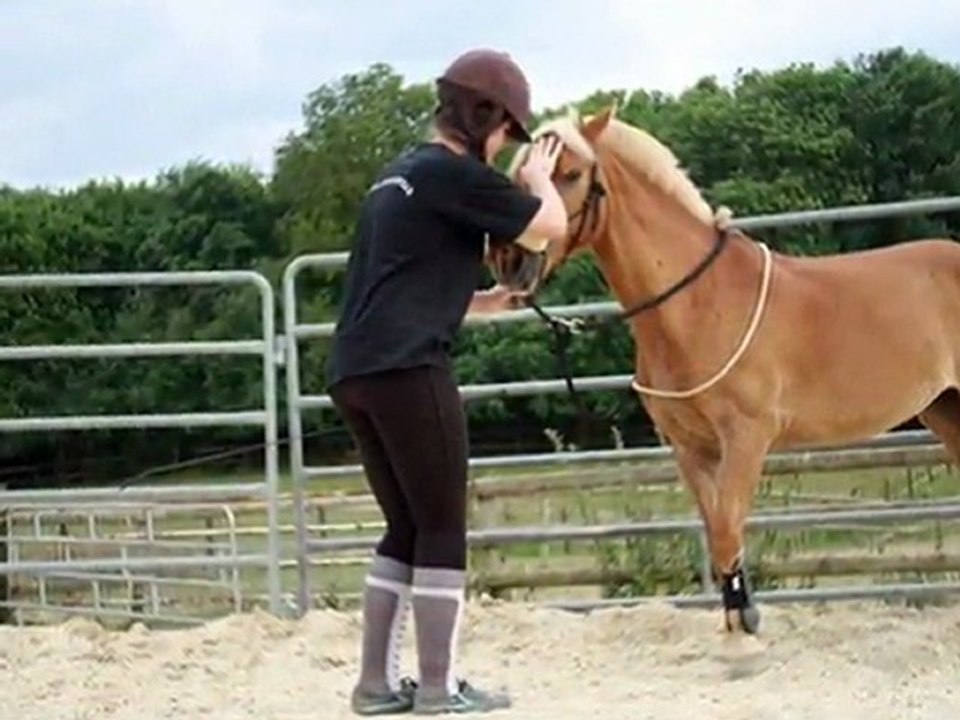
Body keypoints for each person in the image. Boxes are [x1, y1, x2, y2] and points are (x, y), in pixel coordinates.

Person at [325, 48, 567, 715]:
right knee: (441, 528)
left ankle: (375, 687)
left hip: (355, 369)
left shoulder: (396, 178)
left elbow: (399, 284)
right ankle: (438, 690)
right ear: (482, 115)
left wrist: (485, 303)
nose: (507, 144)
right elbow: (550, 229)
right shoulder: (453, 173)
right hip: (408, 368)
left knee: (403, 524)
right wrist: (539, 175)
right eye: (506, 131)